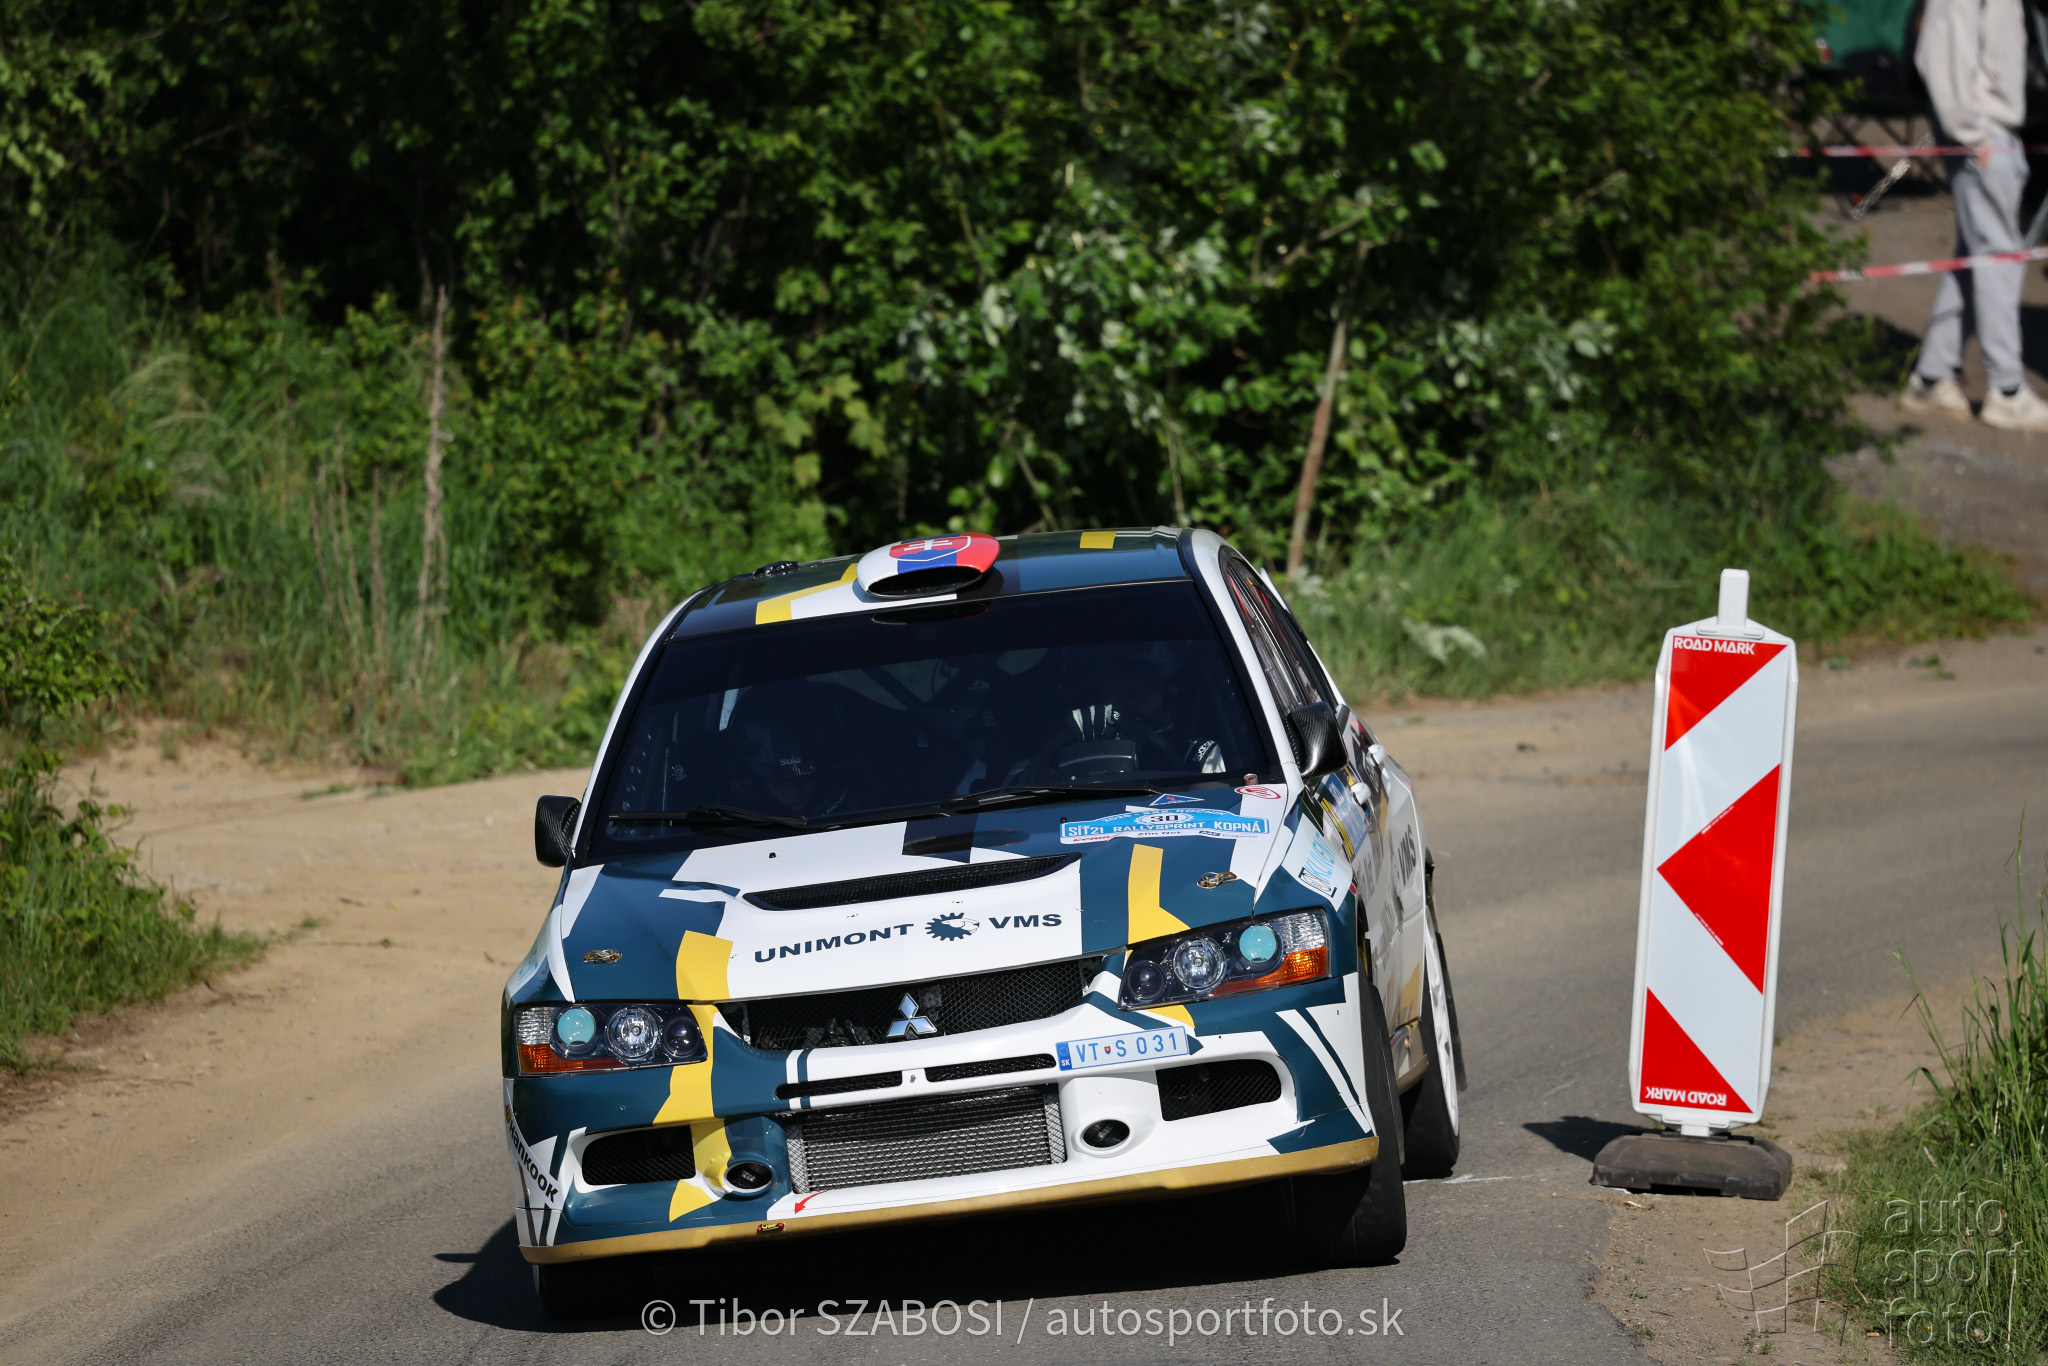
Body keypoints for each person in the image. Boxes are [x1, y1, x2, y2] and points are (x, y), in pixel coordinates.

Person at [1903, 0, 2048, 430]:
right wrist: (1973, 134)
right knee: (2001, 257)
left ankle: (1931, 376)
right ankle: (2006, 390)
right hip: (1984, 134)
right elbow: (1940, 51)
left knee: (1977, 252)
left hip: (1994, 132)